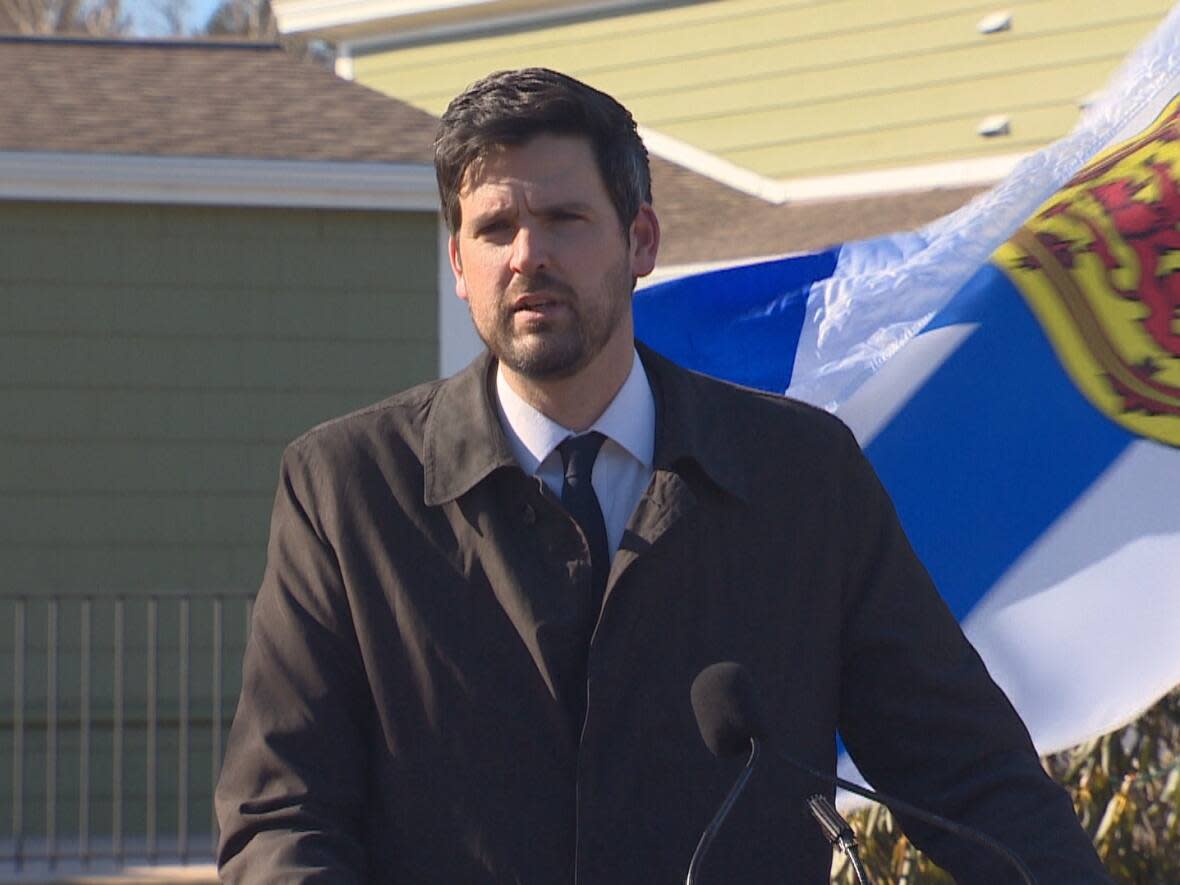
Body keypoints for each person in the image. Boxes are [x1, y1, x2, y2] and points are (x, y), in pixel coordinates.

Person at [215, 68, 1110, 884]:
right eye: (493, 228)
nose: (527, 254)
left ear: (640, 240)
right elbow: (282, 816)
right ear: (459, 264)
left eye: (564, 219)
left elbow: (968, 772)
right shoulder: (347, 491)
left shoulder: (802, 478)